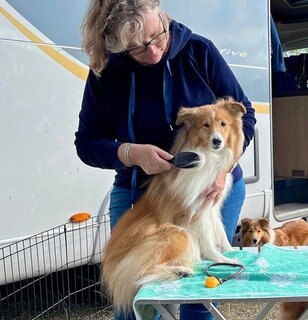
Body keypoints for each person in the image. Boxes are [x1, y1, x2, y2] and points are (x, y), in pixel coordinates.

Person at [75, 0, 256, 319]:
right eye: (138, 49)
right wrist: (132, 153)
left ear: (163, 16)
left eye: (157, 37)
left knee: (198, 296)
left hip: (212, 192)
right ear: (118, 46)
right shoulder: (107, 71)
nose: (154, 52)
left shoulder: (199, 51)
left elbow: (245, 115)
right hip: (140, 195)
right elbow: (87, 143)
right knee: (136, 303)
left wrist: (222, 172)